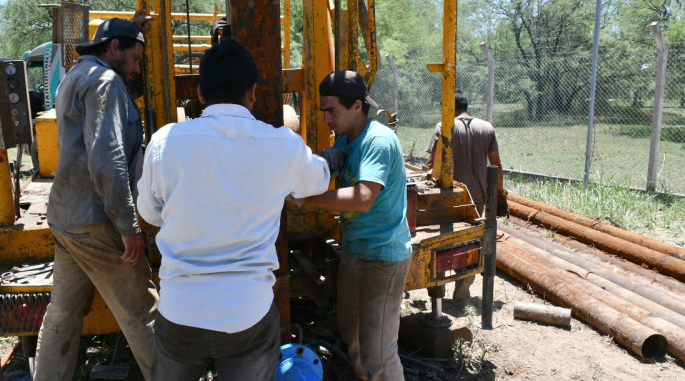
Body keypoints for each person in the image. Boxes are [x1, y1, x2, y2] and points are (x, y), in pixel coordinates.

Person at [136, 39, 341, 381]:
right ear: (254, 92)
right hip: (247, 314)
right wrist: (333, 157)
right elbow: (317, 181)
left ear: (200, 94)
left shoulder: (164, 142)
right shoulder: (283, 145)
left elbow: (151, 214)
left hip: (180, 310)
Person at [34, 14, 159, 381]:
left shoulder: (74, 76)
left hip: (65, 218)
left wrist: (133, 25)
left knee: (62, 314)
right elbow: (107, 159)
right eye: (135, 58)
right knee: (142, 313)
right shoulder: (105, 82)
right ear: (114, 48)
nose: (137, 69)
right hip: (97, 221)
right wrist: (128, 225)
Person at [299, 70, 412, 381]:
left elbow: (363, 198)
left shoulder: (378, 141)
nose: (326, 119)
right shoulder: (347, 139)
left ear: (358, 106)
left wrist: (306, 198)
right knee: (355, 339)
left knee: (379, 353)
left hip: (382, 259)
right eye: (323, 110)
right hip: (355, 253)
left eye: (332, 110)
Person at [425, 89, 507, 302]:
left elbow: (432, 163)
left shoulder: (443, 127)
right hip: (477, 196)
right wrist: (499, 193)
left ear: (448, 108)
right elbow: (496, 165)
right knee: (471, 241)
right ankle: (464, 283)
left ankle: (438, 287)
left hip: (448, 198)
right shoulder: (486, 128)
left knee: (442, 240)